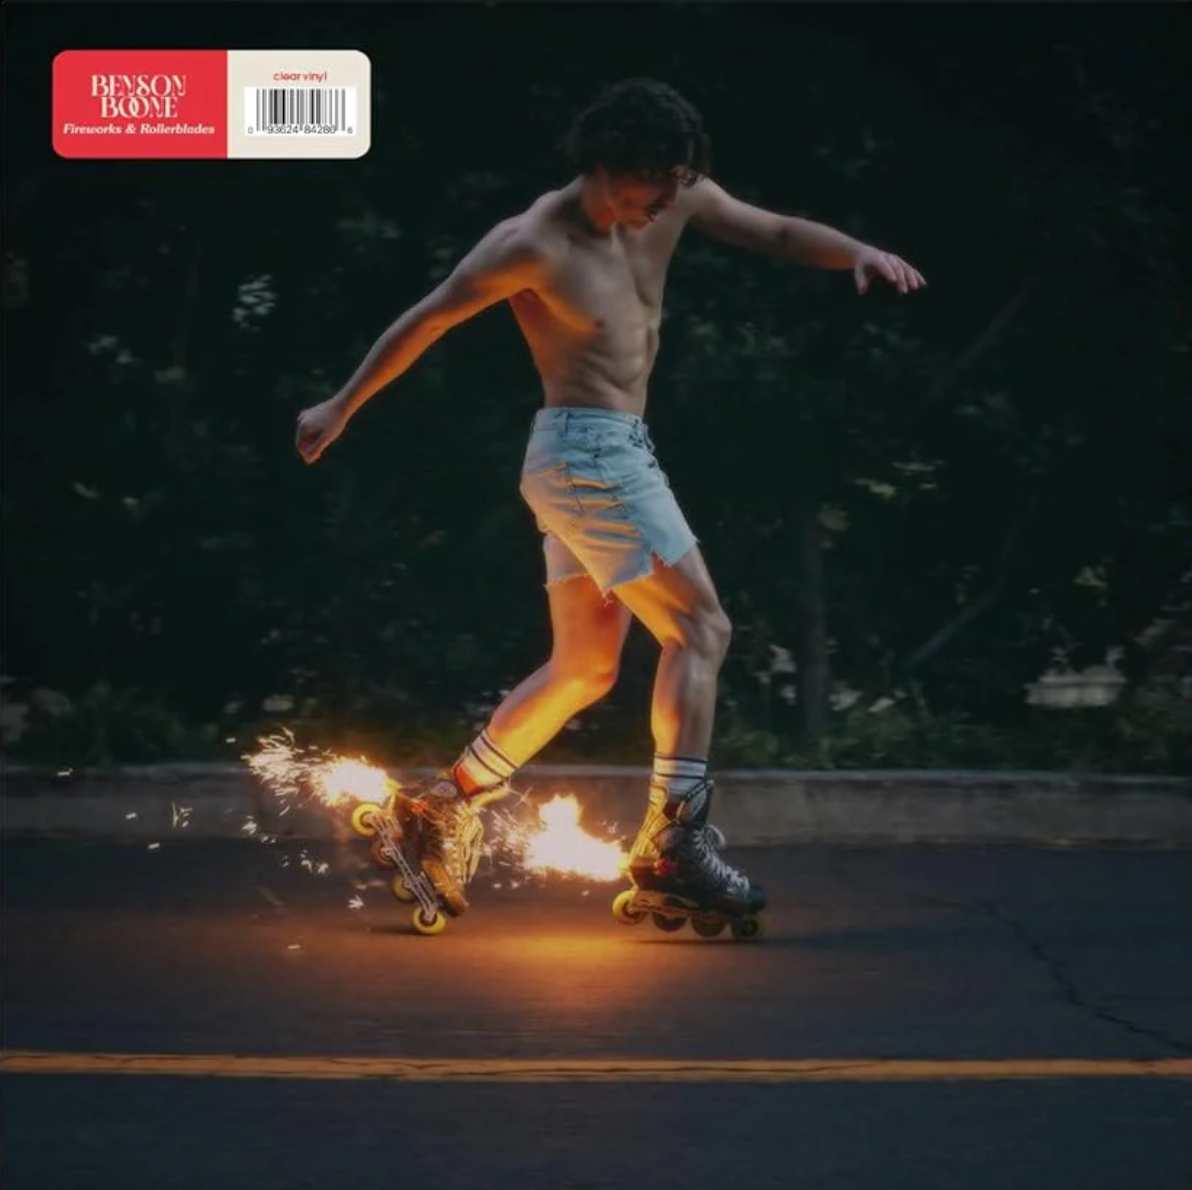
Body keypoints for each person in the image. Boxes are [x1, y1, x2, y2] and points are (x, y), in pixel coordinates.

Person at [295, 78, 926, 919]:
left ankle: (437, 810)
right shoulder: (532, 243)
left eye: (679, 183)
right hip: (584, 455)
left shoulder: (672, 200)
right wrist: (341, 404)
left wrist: (855, 251)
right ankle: (675, 844)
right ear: (607, 165)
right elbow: (428, 319)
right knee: (701, 628)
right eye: (657, 182)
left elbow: (771, 229)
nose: (671, 200)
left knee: (586, 667)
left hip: (607, 456)